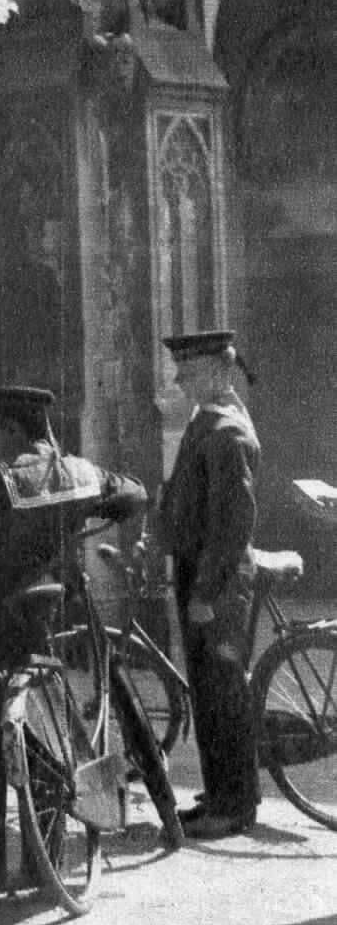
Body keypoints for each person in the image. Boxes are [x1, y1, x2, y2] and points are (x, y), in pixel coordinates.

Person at [0, 386, 146, 896]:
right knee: (46, 742)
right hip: (43, 621)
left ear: (9, 429)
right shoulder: (79, 472)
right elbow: (135, 494)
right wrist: (83, 526)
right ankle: (43, 858)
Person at [158, 330, 262, 838]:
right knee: (207, 690)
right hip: (197, 571)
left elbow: (232, 524)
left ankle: (237, 804)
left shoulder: (226, 430)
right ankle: (220, 792)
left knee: (224, 693)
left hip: (215, 580)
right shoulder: (207, 421)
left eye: (189, 371)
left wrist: (205, 592)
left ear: (220, 370)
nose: (179, 379)